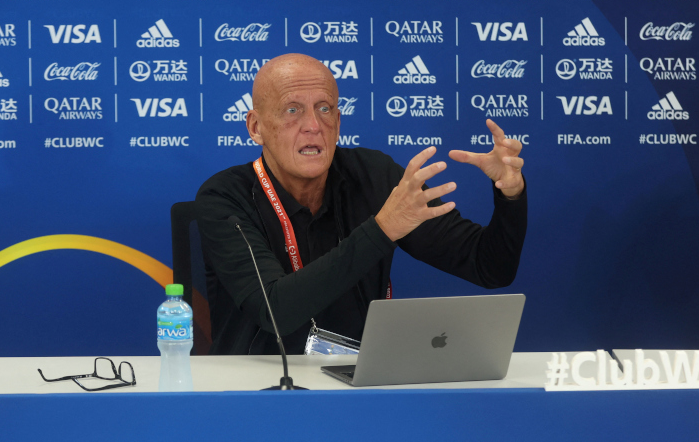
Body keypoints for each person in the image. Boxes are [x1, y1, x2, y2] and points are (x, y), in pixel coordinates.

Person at [195, 53, 527, 355]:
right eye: (292, 110)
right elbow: (274, 310)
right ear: (256, 127)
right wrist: (382, 229)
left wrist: (510, 196)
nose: (313, 125)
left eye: (324, 109)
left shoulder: (375, 177)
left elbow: (490, 268)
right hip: (255, 388)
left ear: (338, 123)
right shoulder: (225, 197)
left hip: (358, 383)